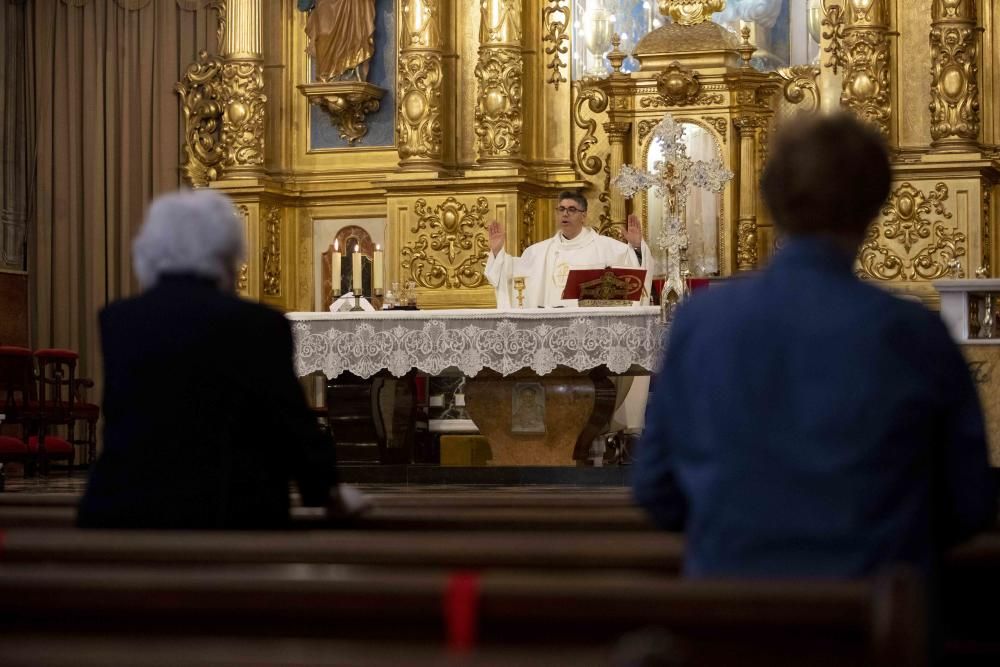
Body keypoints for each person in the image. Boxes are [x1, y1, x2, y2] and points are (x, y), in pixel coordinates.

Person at [633, 113, 996, 579]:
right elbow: (968, 503)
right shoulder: (913, 333)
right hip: (873, 617)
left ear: (771, 198)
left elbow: (655, 490)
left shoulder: (701, 323)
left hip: (729, 615)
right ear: (875, 203)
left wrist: (740, 539)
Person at [78, 189, 368, 529]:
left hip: (125, 512)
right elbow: (289, 424)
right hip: (230, 510)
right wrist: (325, 492)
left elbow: (127, 421)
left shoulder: (119, 321)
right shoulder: (259, 324)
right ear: (228, 254)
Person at [485, 191, 651, 308]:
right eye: (561, 209)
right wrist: (497, 252)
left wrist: (637, 247)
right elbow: (510, 272)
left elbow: (635, 272)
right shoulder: (538, 252)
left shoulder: (606, 247)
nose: (565, 214)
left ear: (584, 216)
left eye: (571, 210)